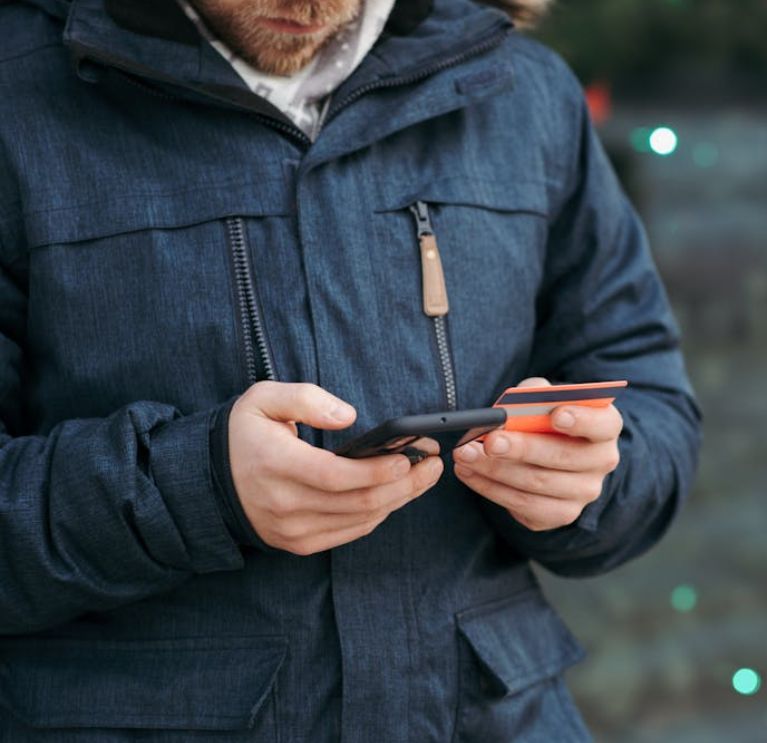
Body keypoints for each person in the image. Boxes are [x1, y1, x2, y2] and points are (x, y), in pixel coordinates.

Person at [0, 0, 701, 739]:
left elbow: (650, 402)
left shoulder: (524, 92)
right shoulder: (17, 95)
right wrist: (194, 491)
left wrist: (586, 479)